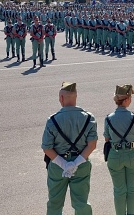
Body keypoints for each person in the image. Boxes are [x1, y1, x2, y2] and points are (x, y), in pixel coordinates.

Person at [41, 82, 98, 214]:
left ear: (61, 98)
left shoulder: (53, 120)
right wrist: (75, 163)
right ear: (76, 97)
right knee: (81, 203)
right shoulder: (89, 118)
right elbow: (92, 145)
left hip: (57, 165)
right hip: (81, 165)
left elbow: (47, 148)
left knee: (55, 204)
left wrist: (65, 165)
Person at [104, 84, 134, 215]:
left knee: (119, 190)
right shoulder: (133, 116)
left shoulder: (109, 118)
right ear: (126, 99)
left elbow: (107, 139)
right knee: (132, 189)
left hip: (115, 155)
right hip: (133, 154)